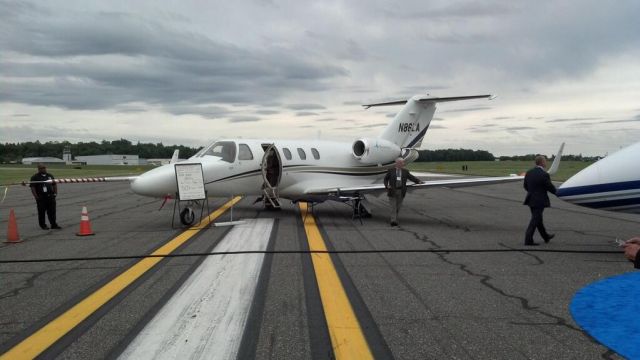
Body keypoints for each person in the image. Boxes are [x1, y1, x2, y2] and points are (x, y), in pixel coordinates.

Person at [523, 155, 556, 246]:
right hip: (539, 201)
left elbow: (525, 186)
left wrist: (532, 193)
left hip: (530, 199)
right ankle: (528, 240)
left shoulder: (529, 172)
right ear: (541, 162)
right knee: (535, 220)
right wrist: (559, 193)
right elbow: (550, 187)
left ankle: (545, 236)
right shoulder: (544, 174)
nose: (546, 162)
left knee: (538, 220)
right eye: (545, 161)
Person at [383, 158, 423, 227]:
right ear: (397, 163)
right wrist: (387, 185)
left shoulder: (405, 171)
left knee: (398, 206)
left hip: (401, 191)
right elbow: (385, 179)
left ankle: (395, 218)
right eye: (401, 163)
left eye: (403, 163)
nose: (403, 164)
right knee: (393, 207)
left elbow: (411, 177)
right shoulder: (391, 171)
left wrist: (418, 181)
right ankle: (393, 221)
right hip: (392, 191)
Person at [30, 163, 61, 230]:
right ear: (38, 169)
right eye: (42, 168)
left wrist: (55, 193)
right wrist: (36, 197)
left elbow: (54, 184)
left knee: (52, 211)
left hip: (50, 196)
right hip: (41, 197)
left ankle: (53, 224)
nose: (44, 169)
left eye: (44, 168)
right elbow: (32, 187)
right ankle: (43, 225)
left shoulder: (50, 176)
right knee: (41, 212)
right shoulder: (35, 177)